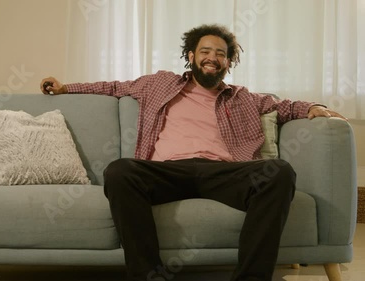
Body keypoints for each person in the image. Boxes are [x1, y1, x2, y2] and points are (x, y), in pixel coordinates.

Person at [40, 24, 346, 281]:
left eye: (221, 54)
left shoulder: (243, 97)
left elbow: (284, 107)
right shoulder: (159, 84)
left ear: (229, 62)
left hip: (224, 173)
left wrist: (315, 108)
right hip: (168, 171)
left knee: (279, 172)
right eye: (205, 51)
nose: (213, 58)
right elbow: (113, 87)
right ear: (191, 56)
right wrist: (65, 88)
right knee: (119, 171)